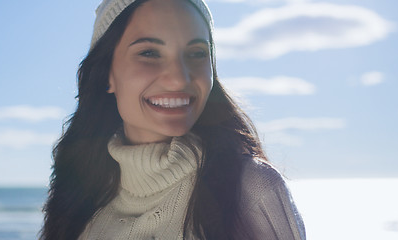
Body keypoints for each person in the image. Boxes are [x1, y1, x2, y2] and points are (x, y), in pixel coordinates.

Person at [41, 0, 306, 239]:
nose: (179, 79)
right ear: (107, 73)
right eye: (149, 53)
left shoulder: (251, 189)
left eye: (197, 53)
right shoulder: (76, 205)